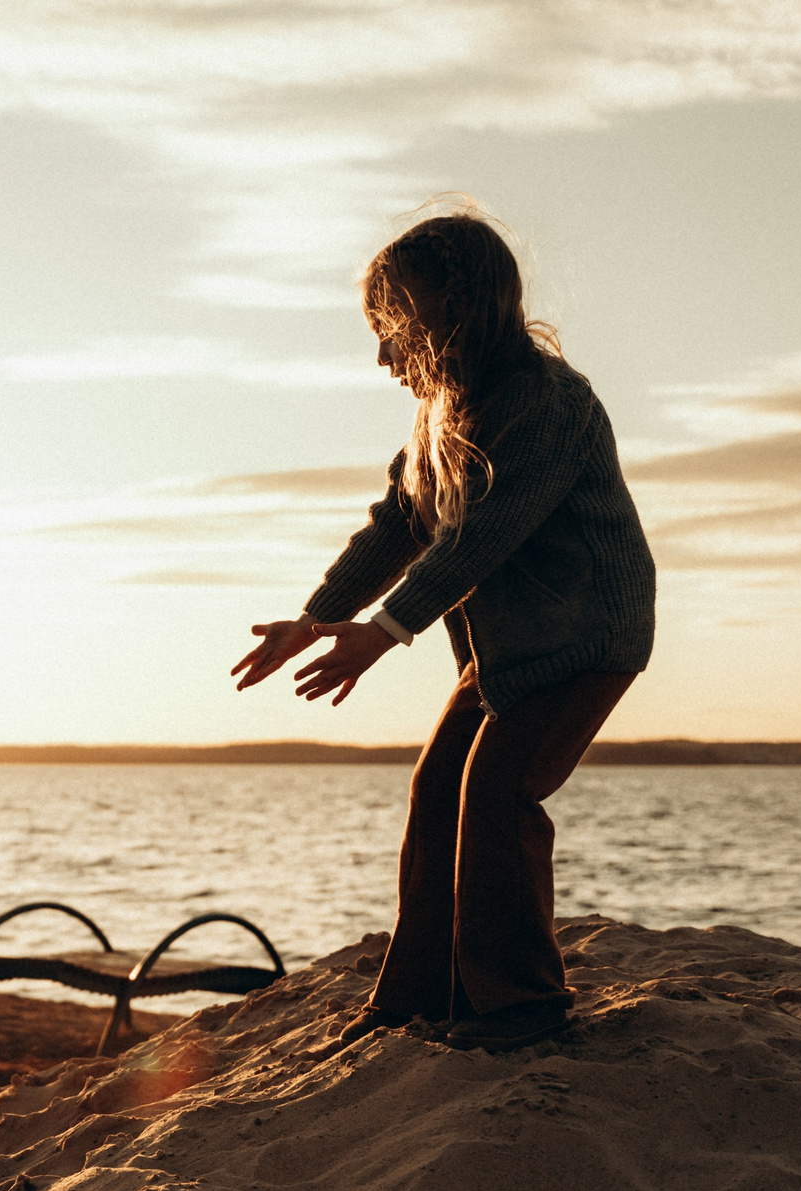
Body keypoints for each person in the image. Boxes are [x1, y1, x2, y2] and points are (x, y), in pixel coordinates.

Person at [231, 205, 655, 1053]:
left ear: (452, 314)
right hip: (506, 652)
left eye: (394, 331)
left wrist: (384, 631)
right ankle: (418, 996)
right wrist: (317, 619)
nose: (383, 356)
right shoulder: (440, 413)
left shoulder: (550, 404)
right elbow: (399, 523)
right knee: (436, 793)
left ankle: (524, 1005)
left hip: (586, 639)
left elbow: (482, 538)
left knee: (497, 794)